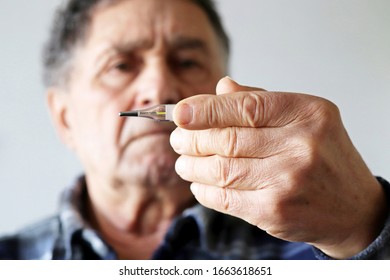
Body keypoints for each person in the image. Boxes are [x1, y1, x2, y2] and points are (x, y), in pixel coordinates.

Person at [0, 0, 389, 260]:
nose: (160, 88)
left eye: (186, 62)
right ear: (64, 116)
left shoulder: (315, 247)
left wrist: (362, 228)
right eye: (121, 65)